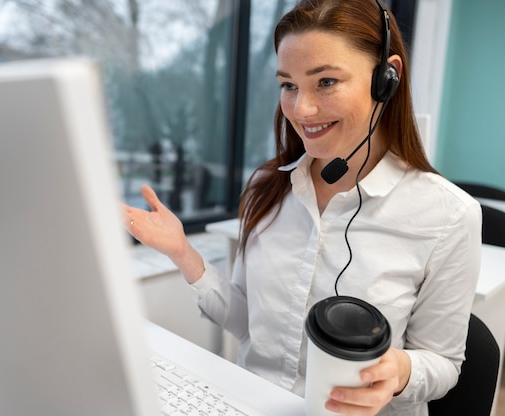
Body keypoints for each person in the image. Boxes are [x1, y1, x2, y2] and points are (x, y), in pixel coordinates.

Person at [123, 0, 482, 415]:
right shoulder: (267, 186)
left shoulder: (449, 216)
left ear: (387, 78)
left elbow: (444, 364)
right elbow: (247, 323)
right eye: (289, 85)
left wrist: (400, 370)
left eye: (326, 81)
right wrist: (182, 253)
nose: (301, 109)